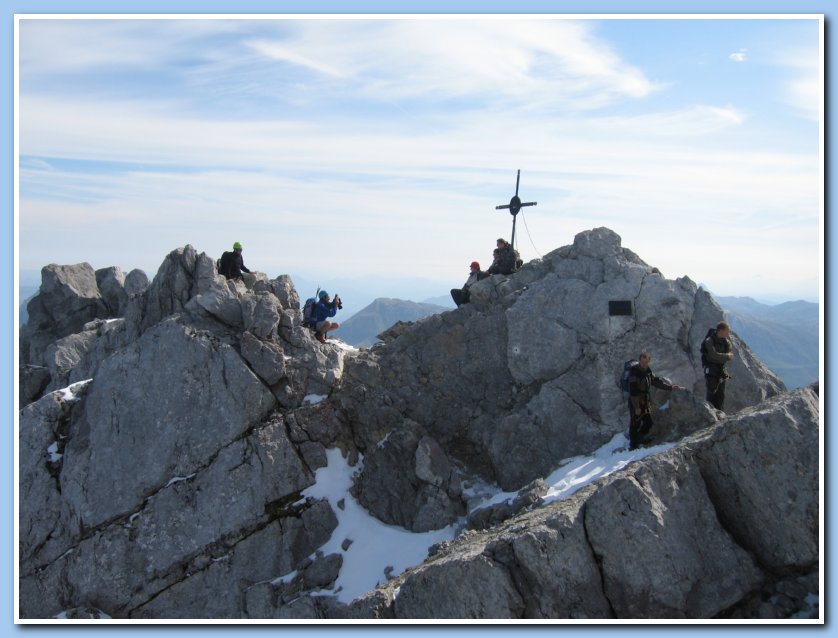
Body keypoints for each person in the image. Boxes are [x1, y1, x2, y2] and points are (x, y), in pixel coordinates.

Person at [627, 352, 682, 450]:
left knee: (648, 422)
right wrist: (637, 407)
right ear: (640, 361)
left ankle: (639, 438)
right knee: (635, 422)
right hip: (635, 401)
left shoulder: (647, 370)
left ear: (649, 362)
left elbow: (655, 381)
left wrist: (670, 387)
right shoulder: (634, 372)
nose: (645, 364)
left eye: (647, 362)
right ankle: (633, 445)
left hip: (645, 400)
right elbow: (633, 391)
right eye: (643, 362)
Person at [702, 321, 734, 411]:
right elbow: (712, 355)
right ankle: (710, 413)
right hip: (711, 371)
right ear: (721, 330)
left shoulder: (727, 342)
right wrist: (726, 356)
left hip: (721, 371)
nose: (728, 334)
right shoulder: (709, 341)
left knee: (721, 395)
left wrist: (723, 357)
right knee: (711, 393)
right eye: (727, 331)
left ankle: (720, 413)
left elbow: (728, 355)